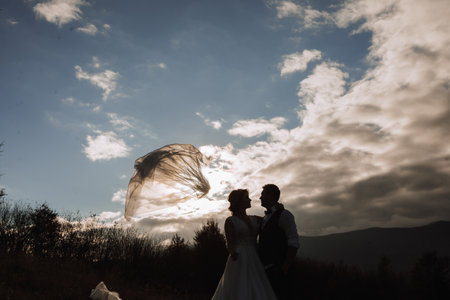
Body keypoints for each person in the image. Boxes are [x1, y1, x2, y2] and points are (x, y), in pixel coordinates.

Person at [212, 189, 277, 300]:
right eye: (246, 197)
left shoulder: (255, 219)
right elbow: (229, 242)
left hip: (255, 257)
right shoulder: (231, 221)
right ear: (239, 201)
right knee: (239, 286)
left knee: (257, 286)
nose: (250, 199)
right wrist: (233, 252)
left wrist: (277, 208)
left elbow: (270, 220)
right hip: (239, 257)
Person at [258, 184, 300, 300]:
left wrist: (284, 268)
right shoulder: (264, 218)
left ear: (271, 195)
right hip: (265, 271)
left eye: (263, 194)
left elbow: (294, 242)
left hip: (279, 270)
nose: (260, 198)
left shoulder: (285, 215)